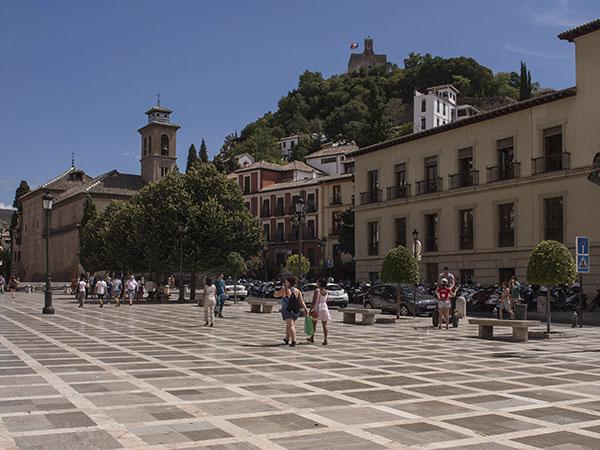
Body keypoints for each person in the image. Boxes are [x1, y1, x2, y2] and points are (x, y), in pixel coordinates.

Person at [274, 276, 308, 347]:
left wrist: (275, 292)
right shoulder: (298, 291)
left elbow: (276, 295)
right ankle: (287, 338)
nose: (285, 282)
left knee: (291, 325)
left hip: (287, 309)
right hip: (295, 310)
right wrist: (305, 309)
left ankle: (294, 341)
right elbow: (301, 301)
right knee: (288, 325)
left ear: (289, 282)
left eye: (286, 281)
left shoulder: (284, 289)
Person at [307, 277, 331, 345]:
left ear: (320, 283)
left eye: (317, 282)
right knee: (325, 324)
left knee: (314, 324)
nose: (316, 283)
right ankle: (325, 339)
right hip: (324, 308)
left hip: (317, 308)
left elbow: (314, 301)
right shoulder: (326, 292)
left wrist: (311, 309)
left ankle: (312, 337)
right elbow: (325, 300)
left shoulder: (317, 290)